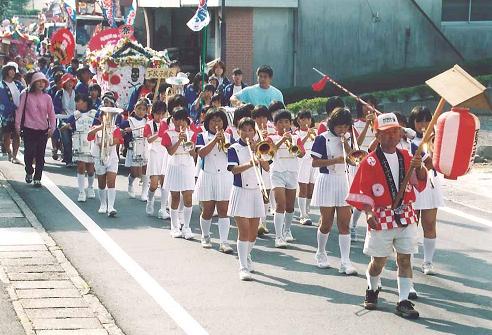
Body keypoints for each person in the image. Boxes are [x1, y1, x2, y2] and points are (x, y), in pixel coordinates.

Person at [346, 112, 427, 319]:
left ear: (400, 133)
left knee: (405, 259)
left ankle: (403, 300)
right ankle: (372, 288)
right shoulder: (369, 161)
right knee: (378, 262)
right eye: (386, 133)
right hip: (381, 215)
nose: (392, 136)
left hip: (405, 214)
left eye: (395, 131)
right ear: (377, 135)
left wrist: (420, 168)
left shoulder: (408, 157)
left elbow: (421, 182)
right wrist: (368, 211)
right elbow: (363, 190)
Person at [311, 107, 357, 274]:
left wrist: (346, 146)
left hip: (343, 181)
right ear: (332, 124)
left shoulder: (348, 138)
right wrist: (335, 160)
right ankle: (321, 253)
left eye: (345, 127)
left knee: (345, 223)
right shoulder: (322, 139)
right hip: (327, 181)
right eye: (339, 127)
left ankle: (345, 261)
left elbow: (353, 161)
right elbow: (315, 163)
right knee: (326, 223)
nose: (342, 130)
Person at [227, 117, 270, 281]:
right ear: (238, 131)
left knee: (252, 234)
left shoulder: (259, 147)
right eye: (243, 130)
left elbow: (266, 167)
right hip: (240, 191)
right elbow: (234, 170)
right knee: (243, 231)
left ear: (254, 131)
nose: (247, 133)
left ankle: (246, 254)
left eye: (250, 130)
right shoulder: (233, 148)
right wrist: (250, 163)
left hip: (256, 191)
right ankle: (243, 266)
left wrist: (258, 153)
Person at [408, 106, 443, 276]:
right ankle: (407, 260)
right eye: (419, 120)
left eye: (426, 120)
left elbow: (438, 162)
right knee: (410, 226)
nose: (423, 124)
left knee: (429, 224)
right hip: (413, 185)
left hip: (431, 185)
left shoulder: (438, 139)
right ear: (413, 122)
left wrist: (432, 141)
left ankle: (428, 262)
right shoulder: (409, 140)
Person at [196, 108, 234, 253]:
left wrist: (223, 141)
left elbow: (232, 156)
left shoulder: (230, 137)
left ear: (224, 122)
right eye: (213, 121)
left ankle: (224, 242)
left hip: (224, 176)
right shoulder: (202, 136)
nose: (216, 123)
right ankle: (205, 236)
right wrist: (214, 140)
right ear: (207, 122)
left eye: (219, 120)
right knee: (208, 210)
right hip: (208, 175)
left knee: (224, 209)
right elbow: (201, 153)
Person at [268, 110, 305, 247]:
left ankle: (287, 230)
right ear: (275, 125)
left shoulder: (296, 138)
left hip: (292, 173)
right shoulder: (272, 137)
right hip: (277, 173)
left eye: (287, 122)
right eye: (280, 122)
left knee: (290, 206)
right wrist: (282, 140)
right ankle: (278, 237)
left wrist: (291, 141)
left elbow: (301, 154)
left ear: (290, 123)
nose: (284, 125)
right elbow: (269, 153)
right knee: (280, 204)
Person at [161, 108, 197, 239]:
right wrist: (179, 141)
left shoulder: (192, 133)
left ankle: (186, 227)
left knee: (188, 197)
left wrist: (188, 142)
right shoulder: (168, 133)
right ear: (174, 120)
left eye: (183, 120)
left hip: (187, 164)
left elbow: (193, 154)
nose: (180, 123)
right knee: (175, 196)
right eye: (178, 120)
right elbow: (171, 151)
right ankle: (174, 226)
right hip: (174, 164)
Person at [15, 72, 56, 187]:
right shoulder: (25, 94)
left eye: (43, 81)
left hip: (42, 130)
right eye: (38, 81)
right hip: (28, 129)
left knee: (40, 155)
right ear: (33, 82)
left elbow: (52, 115)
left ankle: (38, 177)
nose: (41, 84)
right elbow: (19, 111)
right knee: (29, 153)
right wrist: (17, 126)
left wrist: (52, 128)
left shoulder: (47, 97)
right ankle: (29, 171)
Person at [87, 107, 124, 217]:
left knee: (111, 181)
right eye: (105, 117)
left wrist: (107, 139)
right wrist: (100, 128)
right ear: (100, 118)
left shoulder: (115, 129)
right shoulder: (96, 128)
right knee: (101, 183)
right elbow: (89, 136)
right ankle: (103, 204)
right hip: (99, 157)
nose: (107, 120)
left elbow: (117, 140)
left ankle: (111, 206)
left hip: (111, 157)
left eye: (110, 117)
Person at [350, 95, 377, 240]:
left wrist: (374, 124)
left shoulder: (378, 123)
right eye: (365, 105)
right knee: (361, 198)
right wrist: (367, 124)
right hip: (360, 161)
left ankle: (372, 230)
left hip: (376, 161)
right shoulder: (354, 124)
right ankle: (352, 225)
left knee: (375, 197)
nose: (368, 108)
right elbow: (357, 144)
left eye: (371, 105)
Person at [63, 95, 97, 202]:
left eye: (79, 101)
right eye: (76, 101)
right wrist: (66, 126)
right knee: (81, 167)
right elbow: (65, 124)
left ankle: (90, 187)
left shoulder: (94, 114)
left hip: (92, 144)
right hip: (79, 145)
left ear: (86, 102)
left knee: (91, 169)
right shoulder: (75, 115)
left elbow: (101, 125)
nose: (77, 103)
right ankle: (81, 191)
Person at [251, 105, 275, 235]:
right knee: (255, 195)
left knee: (266, 194)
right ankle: (254, 222)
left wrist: (267, 140)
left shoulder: (271, 129)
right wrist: (259, 140)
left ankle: (263, 223)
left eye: (264, 117)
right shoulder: (249, 130)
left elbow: (273, 149)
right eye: (258, 117)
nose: (261, 120)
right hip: (253, 164)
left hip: (267, 162)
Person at [144, 100, 170, 219]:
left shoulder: (167, 123)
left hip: (165, 153)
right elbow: (149, 140)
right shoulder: (148, 124)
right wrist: (159, 134)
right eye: (157, 114)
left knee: (165, 183)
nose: (160, 117)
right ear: (153, 113)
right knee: (154, 184)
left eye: (162, 114)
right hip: (154, 153)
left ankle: (163, 208)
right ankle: (150, 200)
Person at [121, 97, 149, 200]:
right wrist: (124, 131)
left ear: (146, 111)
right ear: (134, 108)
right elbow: (121, 131)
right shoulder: (129, 121)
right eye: (139, 108)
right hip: (133, 149)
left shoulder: (147, 122)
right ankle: (130, 182)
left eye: (143, 109)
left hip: (145, 147)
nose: (141, 111)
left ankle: (144, 193)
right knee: (135, 173)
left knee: (145, 170)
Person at [295, 110, 317, 225]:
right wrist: (307, 136)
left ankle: (307, 210)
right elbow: (297, 146)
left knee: (311, 188)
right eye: (303, 119)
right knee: (303, 187)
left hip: (313, 161)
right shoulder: (296, 134)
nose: (306, 121)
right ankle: (302, 214)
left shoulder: (315, 132)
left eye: (308, 119)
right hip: (302, 161)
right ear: (299, 121)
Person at [0, 62, 24, 163]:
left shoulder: (18, 84)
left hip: (18, 113)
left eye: (14, 70)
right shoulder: (1, 85)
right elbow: (3, 101)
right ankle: (9, 152)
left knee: (17, 134)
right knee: (7, 135)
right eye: (11, 70)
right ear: (6, 72)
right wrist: (12, 107)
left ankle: (14, 155)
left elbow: (24, 95)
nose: (13, 72)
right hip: (6, 114)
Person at [54, 73, 77, 167]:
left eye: (71, 81)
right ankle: (68, 160)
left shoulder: (77, 92)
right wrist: (60, 110)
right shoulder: (60, 93)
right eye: (67, 82)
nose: (70, 83)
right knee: (66, 140)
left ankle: (75, 158)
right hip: (63, 119)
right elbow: (54, 106)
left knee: (76, 140)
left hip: (76, 118)